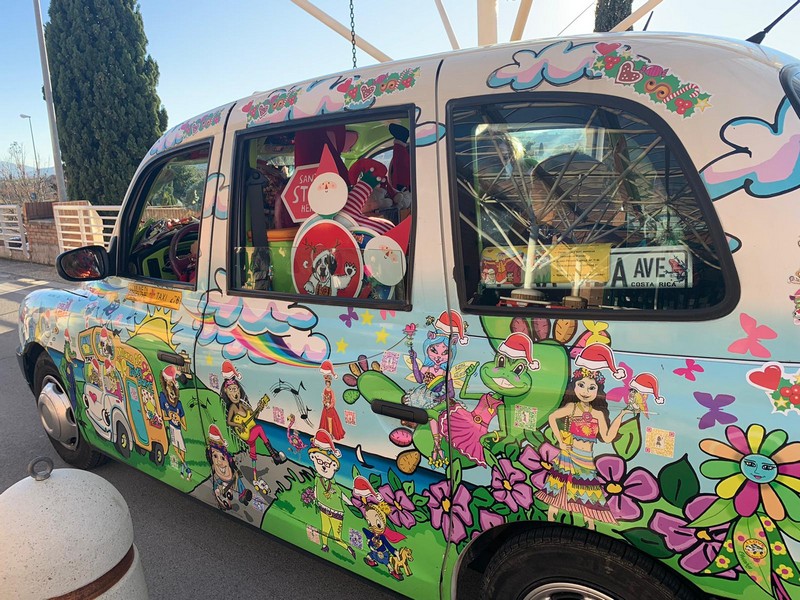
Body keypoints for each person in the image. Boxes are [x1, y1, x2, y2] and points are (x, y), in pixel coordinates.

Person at [536, 368, 633, 529]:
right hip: (569, 455)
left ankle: (590, 527)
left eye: (591, 388)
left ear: (598, 391)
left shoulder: (598, 414)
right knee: (557, 493)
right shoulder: (572, 407)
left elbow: (607, 437)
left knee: (588, 497)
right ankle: (550, 525)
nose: (585, 392)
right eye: (581, 385)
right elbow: (552, 418)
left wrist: (621, 415)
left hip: (586, 459)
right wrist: (561, 441)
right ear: (574, 387)